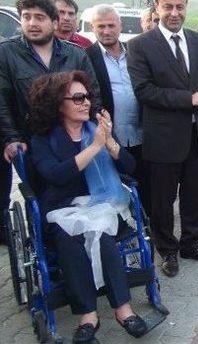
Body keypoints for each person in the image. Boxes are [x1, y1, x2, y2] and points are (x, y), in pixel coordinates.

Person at [29, 71, 148, 343]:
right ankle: (88, 315)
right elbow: (56, 175)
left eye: (88, 97)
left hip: (104, 206)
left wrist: (110, 144)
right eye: (78, 98)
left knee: (101, 233)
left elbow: (130, 168)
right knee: (71, 239)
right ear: (59, 103)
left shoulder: (97, 129)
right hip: (62, 210)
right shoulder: (43, 139)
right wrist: (94, 148)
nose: (86, 103)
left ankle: (122, 309)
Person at [126, 0, 198, 277]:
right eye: (168, 7)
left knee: (194, 195)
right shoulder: (140, 45)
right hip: (164, 139)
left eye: (180, 6)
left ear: (186, 7)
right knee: (162, 201)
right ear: (156, 8)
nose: (174, 12)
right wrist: (191, 99)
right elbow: (145, 91)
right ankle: (167, 250)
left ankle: (190, 244)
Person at [0, 0, 100, 244]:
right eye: (26, 17)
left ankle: (81, 245)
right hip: (33, 142)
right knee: (44, 196)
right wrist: (11, 138)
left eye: (40, 17)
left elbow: (93, 95)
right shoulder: (7, 54)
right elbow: (2, 101)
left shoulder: (75, 54)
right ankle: (49, 249)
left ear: (53, 23)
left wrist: (96, 132)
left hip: (73, 138)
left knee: (77, 191)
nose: (32, 23)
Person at [86, 4, 150, 216]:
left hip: (143, 134)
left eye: (111, 25)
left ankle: (151, 235)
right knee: (120, 192)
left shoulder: (136, 51)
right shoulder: (87, 57)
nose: (106, 31)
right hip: (112, 139)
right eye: (100, 26)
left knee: (148, 188)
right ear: (93, 27)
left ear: (120, 25)